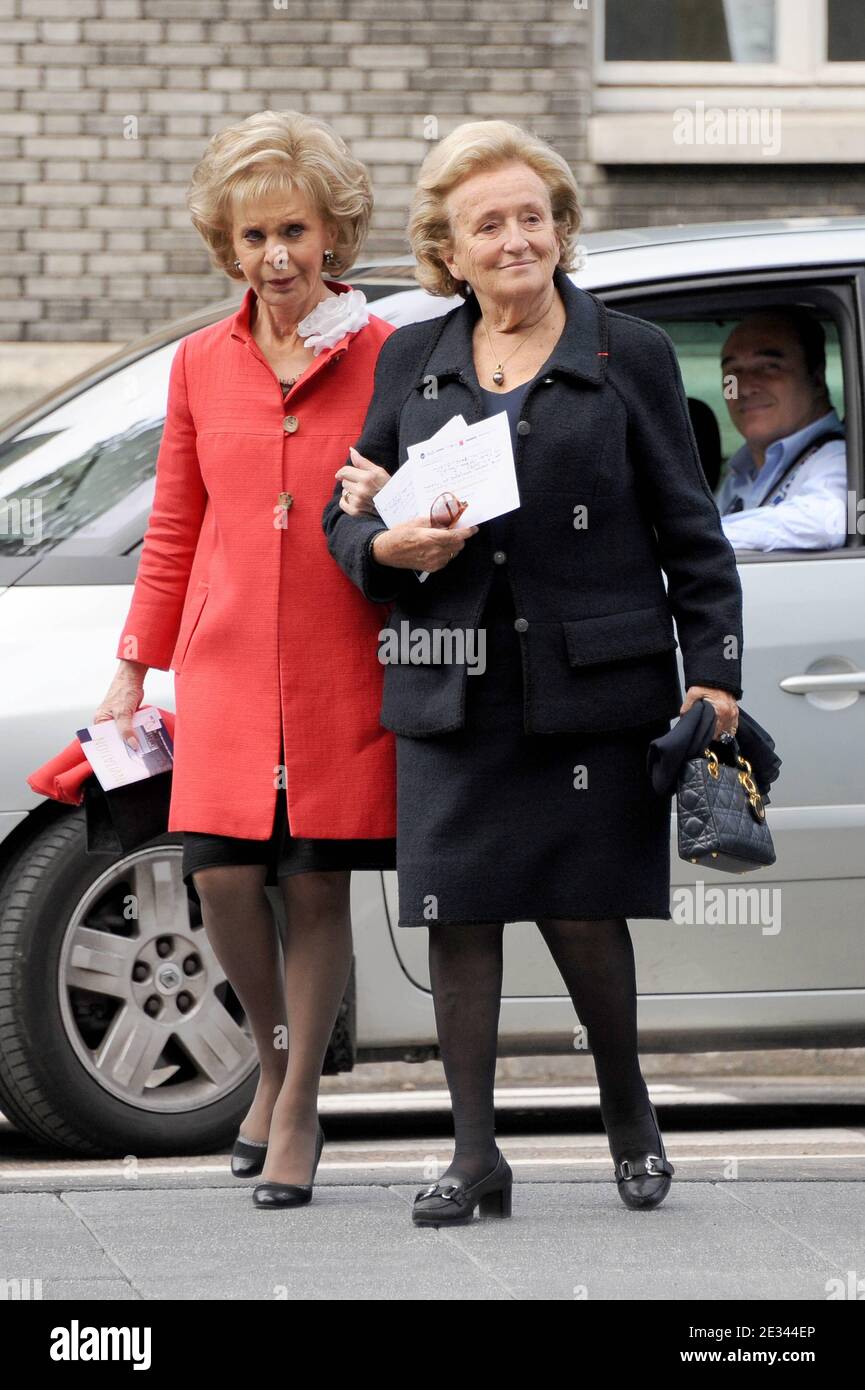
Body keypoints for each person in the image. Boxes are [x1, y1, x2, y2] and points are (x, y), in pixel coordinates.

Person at [324, 119, 743, 1225]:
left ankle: (628, 1117)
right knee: (457, 916)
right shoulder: (410, 357)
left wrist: (715, 675)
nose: (515, 239)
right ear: (446, 252)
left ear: (559, 226)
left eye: (531, 215)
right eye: (486, 224)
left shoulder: (627, 352)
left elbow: (692, 535)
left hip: (591, 688)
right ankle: (475, 1156)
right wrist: (381, 547)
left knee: (585, 912)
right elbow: (348, 504)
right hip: (449, 679)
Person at [93, 110, 398, 1209]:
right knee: (220, 875)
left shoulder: (387, 352)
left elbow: (411, 490)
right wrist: (136, 663)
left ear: (332, 236)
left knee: (315, 881)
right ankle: (272, 1066)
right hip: (222, 663)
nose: (277, 256)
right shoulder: (196, 362)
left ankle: (301, 1107)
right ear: (227, 248)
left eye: (295, 233)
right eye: (255, 236)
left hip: (339, 655)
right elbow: (173, 524)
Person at [715, 308, 847, 550]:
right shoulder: (740, 473)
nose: (744, 389)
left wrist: (696, 538)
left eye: (768, 367)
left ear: (817, 380)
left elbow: (830, 521)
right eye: (732, 373)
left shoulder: (842, 458)